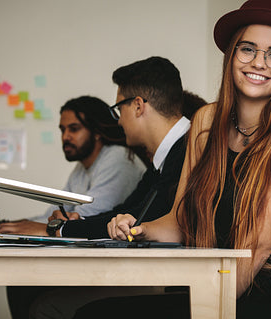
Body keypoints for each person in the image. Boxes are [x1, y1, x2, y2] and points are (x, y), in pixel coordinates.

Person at [83, 0, 271, 317]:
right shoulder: (205, 121)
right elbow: (180, 221)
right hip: (220, 287)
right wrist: (137, 228)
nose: (260, 62)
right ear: (231, 55)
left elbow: (254, 249)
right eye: (248, 49)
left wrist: (204, 303)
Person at [20, 56, 205, 319]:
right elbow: (127, 211)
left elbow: (140, 221)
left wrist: (63, 228)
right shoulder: (167, 155)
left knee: (50, 305)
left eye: (119, 109)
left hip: (180, 282)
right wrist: (71, 225)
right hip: (168, 275)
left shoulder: (189, 149)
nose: (118, 121)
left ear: (138, 106)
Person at [0, 96, 147, 236]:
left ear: (96, 132)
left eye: (74, 129)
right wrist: (0, 225)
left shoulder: (119, 158)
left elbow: (83, 216)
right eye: (63, 130)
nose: (65, 137)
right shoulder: (81, 168)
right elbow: (52, 214)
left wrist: (2, 227)